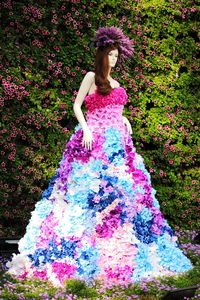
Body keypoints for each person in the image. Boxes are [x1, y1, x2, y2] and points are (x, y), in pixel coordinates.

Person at [6, 26, 193, 287]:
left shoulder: (116, 83)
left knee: (123, 195)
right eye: (111, 55)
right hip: (93, 142)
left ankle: (118, 249)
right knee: (87, 193)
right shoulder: (92, 76)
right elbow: (76, 105)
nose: (114, 60)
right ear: (102, 56)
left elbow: (115, 108)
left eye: (117, 56)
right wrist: (85, 128)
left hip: (118, 145)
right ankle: (84, 247)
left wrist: (125, 119)